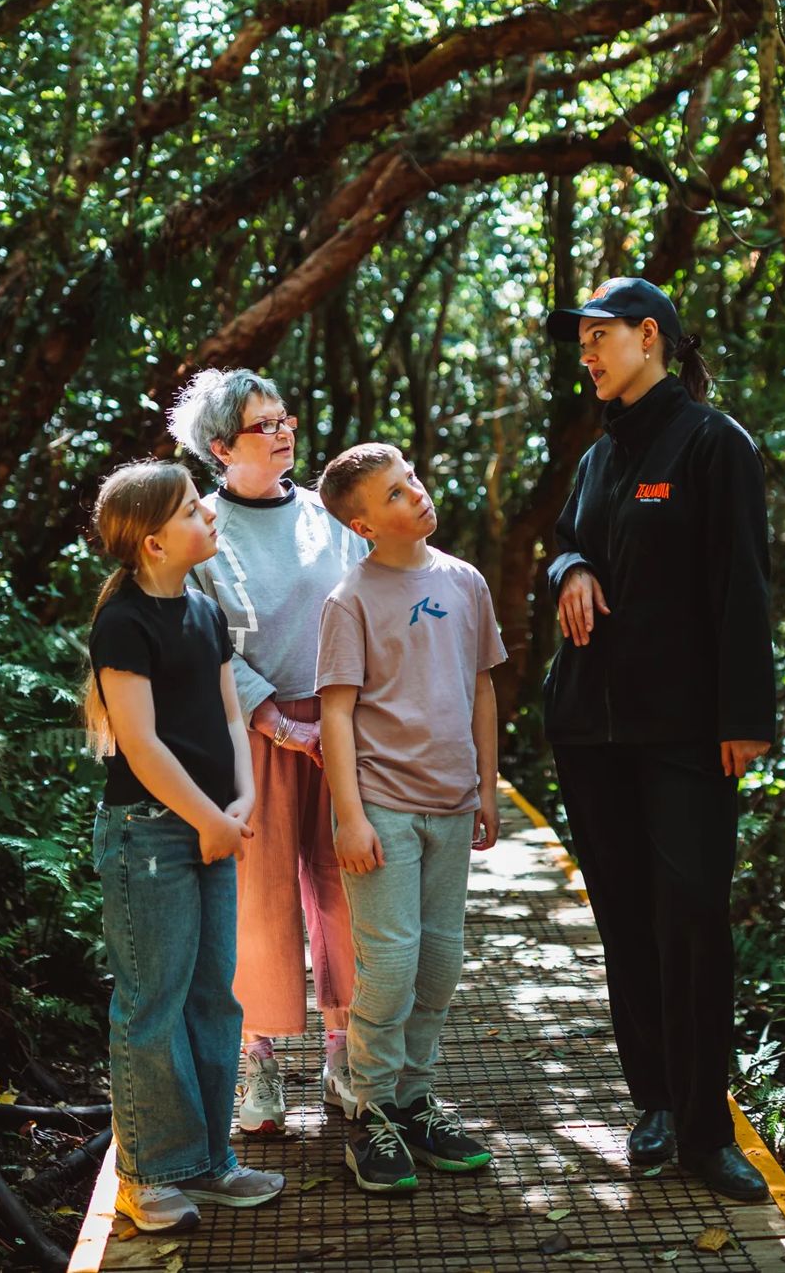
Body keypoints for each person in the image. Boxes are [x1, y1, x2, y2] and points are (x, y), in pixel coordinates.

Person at [542, 277, 776, 1203]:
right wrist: (569, 568)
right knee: (626, 922)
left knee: (692, 921)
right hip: (590, 731)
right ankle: (655, 1105)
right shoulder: (600, 456)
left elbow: (743, 585)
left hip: (685, 733)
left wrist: (744, 718)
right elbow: (566, 537)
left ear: (651, 337)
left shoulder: (715, 444)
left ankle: (707, 1131)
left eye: (600, 337)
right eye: (581, 341)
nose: (587, 354)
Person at [84, 460, 287, 1232]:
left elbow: (231, 717)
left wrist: (242, 800)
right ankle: (149, 1174)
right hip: (149, 835)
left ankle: (209, 1162)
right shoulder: (124, 622)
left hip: (211, 827)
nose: (209, 516)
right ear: (152, 540)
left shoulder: (203, 611)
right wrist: (207, 817)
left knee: (212, 995)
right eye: (193, 510)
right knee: (152, 1003)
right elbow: (139, 742)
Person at [167, 370, 364, 1133]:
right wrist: (279, 722)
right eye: (262, 424)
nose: (282, 431)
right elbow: (202, 635)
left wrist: (343, 718)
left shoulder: (328, 518)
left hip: (341, 727)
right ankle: (260, 1063)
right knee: (260, 898)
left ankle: (345, 1051)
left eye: (284, 418)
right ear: (220, 447)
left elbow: (366, 609)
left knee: (345, 890)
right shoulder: (203, 526)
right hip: (248, 730)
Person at [314, 443, 505, 1194]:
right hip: (383, 807)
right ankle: (369, 1111)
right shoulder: (350, 599)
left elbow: (483, 691)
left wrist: (486, 789)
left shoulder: (465, 581)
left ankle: (414, 1099)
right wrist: (349, 817)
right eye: (394, 494)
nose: (416, 496)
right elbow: (336, 713)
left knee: (440, 961)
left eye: (413, 480)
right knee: (389, 966)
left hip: (453, 804)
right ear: (364, 524)